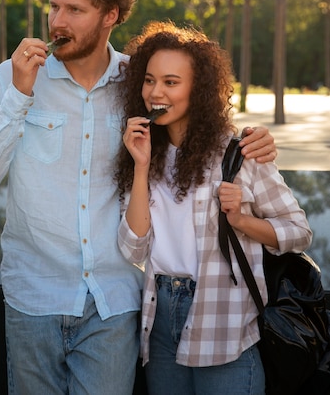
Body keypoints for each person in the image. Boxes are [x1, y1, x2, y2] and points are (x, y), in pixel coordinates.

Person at [0, 0, 277, 395]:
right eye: (53, 6)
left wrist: (253, 138)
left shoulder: (138, 84)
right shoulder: (12, 79)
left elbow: (199, 128)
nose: (56, 22)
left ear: (111, 14)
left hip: (114, 303)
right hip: (33, 298)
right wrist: (19, 95)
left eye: (75, 9)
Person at [116, 20, 312, 395]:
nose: (156, 92)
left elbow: (299, 232)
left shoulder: (239, 153)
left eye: (171, 82)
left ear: (199, 89)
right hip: (158, 320)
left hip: (224, 322)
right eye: (150, 80)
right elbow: (133, 248)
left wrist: (241, 220)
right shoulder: (143, 153)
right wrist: (140, 167)